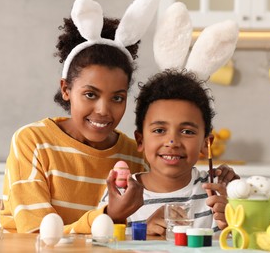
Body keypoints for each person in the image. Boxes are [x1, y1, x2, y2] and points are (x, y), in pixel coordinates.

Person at [0, 0, 161, 234]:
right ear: (66, 89)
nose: (104, 110)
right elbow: (38, 233)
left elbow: (162, 204)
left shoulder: (134, 156)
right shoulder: (33, 142)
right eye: (90, 94)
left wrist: (219, 180)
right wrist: (108, 217)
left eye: (117, 98)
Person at [99, 69, 239, 236]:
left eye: (187, 132)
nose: (172, 142)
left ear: (206, 143)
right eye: (159, 130)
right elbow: (100, 243)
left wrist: (237, 224)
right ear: (140, 140)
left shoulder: (222, 190)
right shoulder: (120, 193)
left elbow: (266, 239)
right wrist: (144, 232)